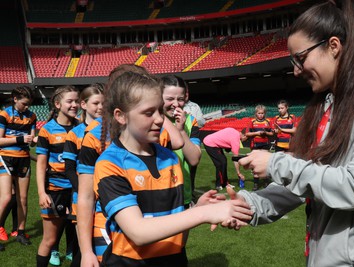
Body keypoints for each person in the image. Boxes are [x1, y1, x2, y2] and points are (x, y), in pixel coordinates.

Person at [234, 1, 354, 266]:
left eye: (300, 58)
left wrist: (277, 163)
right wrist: (245, 205)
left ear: (334, 46)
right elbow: (307, 183)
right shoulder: (326, 107)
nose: (296, 70)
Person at [94, 70, 252, 266]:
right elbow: (138, 232)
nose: (160, 120)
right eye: (148, 112)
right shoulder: (110, 164)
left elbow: (178, 236)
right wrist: (202, 214)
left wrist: (199, 207)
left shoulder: (169, 158)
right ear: (121, 116)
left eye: (160, 111)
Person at [77, 64, 183, 267]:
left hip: (158, 228)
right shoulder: (94, 138)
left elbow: (177, 142)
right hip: (111, 227)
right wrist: (86, 250)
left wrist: (154, 107)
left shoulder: (153, 136)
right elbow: (86, 197)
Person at [60, 83, 104, 267]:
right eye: (96, 103)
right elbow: (69, 169)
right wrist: (86, 191)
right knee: (84, 250)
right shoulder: (74, 134)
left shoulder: (110, 130)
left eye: (104, 103)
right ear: (84, 105)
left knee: (104, 248)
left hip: (106, 198)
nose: (101, 107)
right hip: (82, 198)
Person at [36, 85, 80, 267]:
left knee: (81, 238)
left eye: (77, 101)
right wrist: (41, 192)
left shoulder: (82, 128)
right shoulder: (47, 130)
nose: (74, 105)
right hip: (55, 189)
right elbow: (41, 164)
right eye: (70, 101)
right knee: (50, 239)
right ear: (57, 103)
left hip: (78, 190)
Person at [0, 86, 36, 250]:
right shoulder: (4, 114)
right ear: (15, 99)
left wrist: (34, 141)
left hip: (24, 159)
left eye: (29, 104)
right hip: (5, 158)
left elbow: (31, 139)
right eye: (24, 104)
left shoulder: (32, 116)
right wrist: (20, 139)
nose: (27, 107)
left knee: (22, 199)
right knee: (7, 197)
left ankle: (20, 232)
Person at [161, 75, 201, 207]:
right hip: (156, 191)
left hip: (182, 193)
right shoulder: (151, 119)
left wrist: (181, 130)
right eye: (170, 99)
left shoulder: (190, 121)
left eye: (180, 99)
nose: (176, 104)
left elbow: (194, 159)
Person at [245, 104, 274, 191]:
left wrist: (266, 133)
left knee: (265, 164)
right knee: (255, 164)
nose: (260, 115)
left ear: (264, 113)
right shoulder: (252, 122)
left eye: (262, 113)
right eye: (259, 113)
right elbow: (247, 134)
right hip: (255, 146)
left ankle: (265, 182)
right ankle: (256, 184)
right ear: (256, 113)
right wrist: (257, 133)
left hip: (265, 145)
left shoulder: (268, 121)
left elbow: (272, 133)